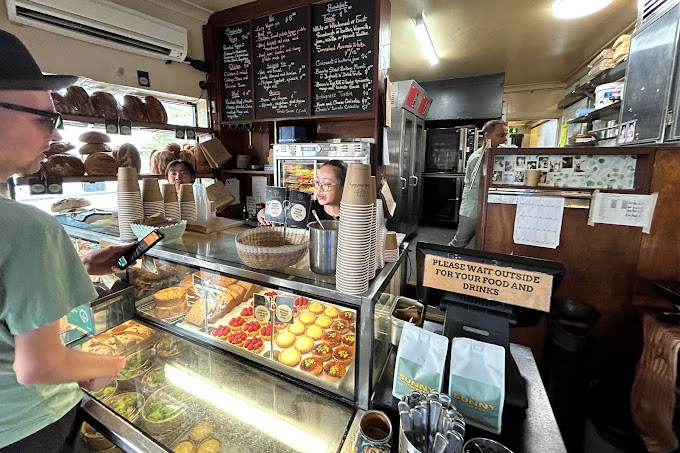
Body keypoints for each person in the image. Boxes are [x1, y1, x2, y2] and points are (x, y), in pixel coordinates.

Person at [0, 30, 129, 452]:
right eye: (45, 119)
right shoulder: (28, 228)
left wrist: (81, 265)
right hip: (28, 425)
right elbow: (41, 365)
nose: (56, 137)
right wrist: (113, 363)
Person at [448, 120, 509, 248]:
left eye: (505, 135)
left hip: (487, 206)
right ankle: (437, 263)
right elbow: (481, 184)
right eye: (500, 135)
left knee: (486, 243)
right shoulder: (478, 158)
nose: (505, 139)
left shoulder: (494, 154)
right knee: (458, 244)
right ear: (487, 136)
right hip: (473, 208)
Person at [257, 160, 346, 225]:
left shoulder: (354, 216)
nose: (319, 188)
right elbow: (280, 211)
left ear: (344, 187)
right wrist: (264, 212)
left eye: (326, 184)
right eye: (317, 182)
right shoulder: (308, 209)